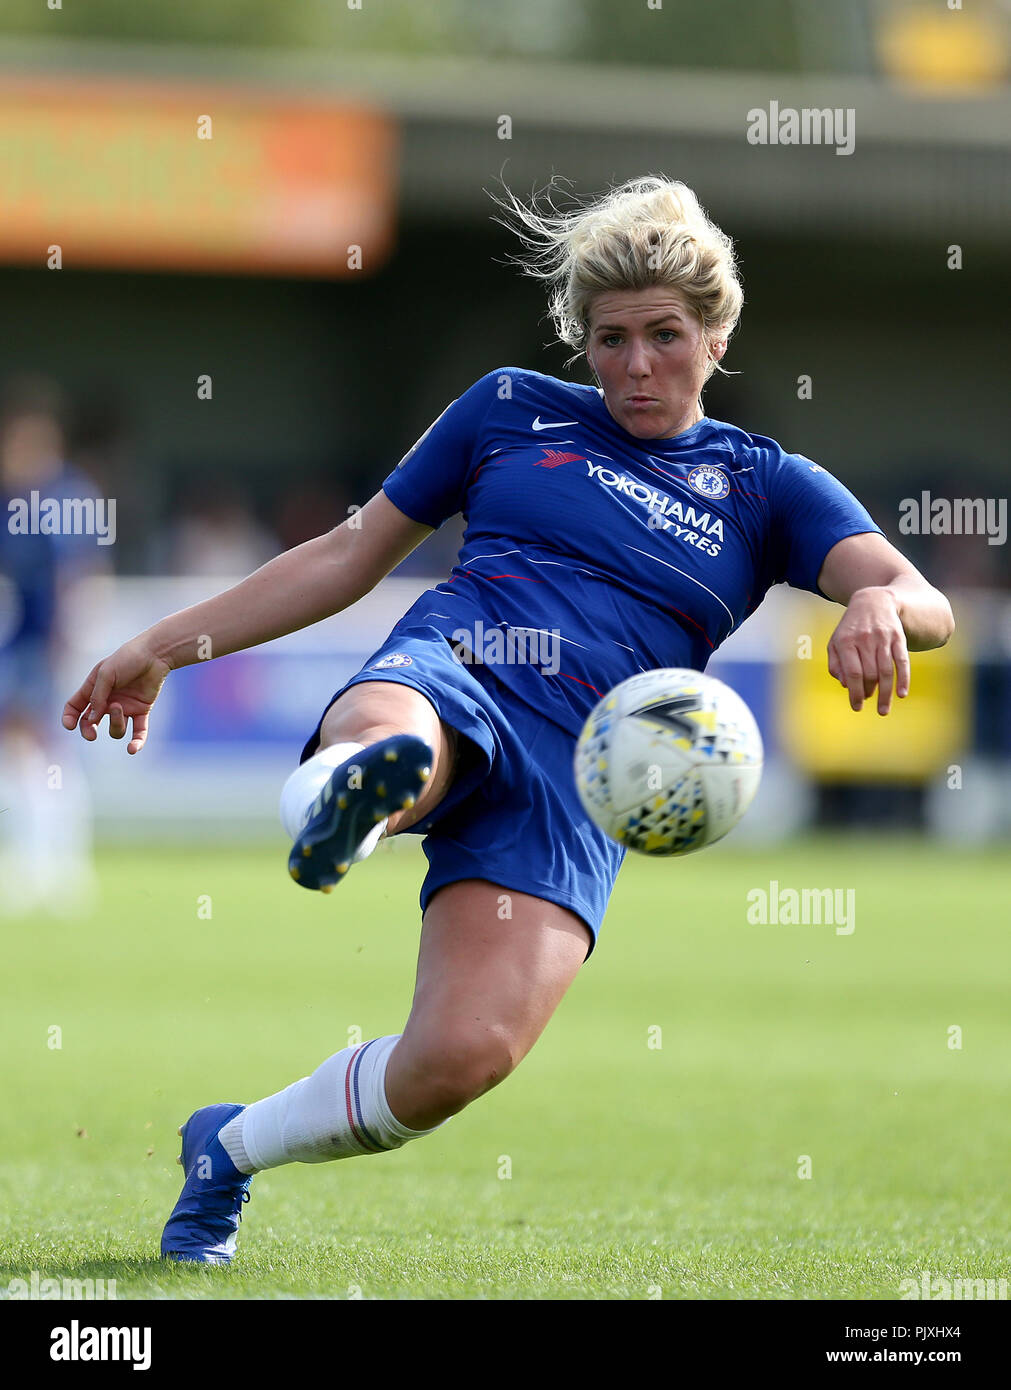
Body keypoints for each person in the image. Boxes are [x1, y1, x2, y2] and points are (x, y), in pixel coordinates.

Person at [61, 177, 954, 1264]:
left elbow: (926, 600)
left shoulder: (767, 487)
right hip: (467, 660)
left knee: (455, 1061)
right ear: (580, 339)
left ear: (716, 336)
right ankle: (352, 799)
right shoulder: (508, 407)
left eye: (664, 336)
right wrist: (164, 642)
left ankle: (230, 1148)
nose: (634, 366)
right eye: (610, 338)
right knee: (398, 742)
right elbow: (348, 557)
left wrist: (874, 599)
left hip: (585, 773)